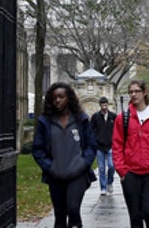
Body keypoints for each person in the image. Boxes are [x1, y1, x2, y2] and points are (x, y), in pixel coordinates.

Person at [32, 82, 97, 228]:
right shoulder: (45, 122)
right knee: (60, 215)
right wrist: (50, 166)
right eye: (54, 98)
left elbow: (92, 145)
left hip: (77, 174)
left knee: (73, 209)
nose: (57, 101)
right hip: (56, 174)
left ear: (69, 98)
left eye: (61, 97)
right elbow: (37, 149)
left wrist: (83, 163)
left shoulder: (81, 120)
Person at [113, 79, 149, 228]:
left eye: (137, 91)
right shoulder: (123, 118)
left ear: (144, 93)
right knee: (135, 217)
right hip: (131, 173)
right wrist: (122, 171)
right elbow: (117, 145)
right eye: (131, 91)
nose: (133, 94)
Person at [90, 95, 116, 194]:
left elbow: (117, 130)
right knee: (101, 168)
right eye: (102, 105)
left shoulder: (113, 116)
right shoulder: (95, 117)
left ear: (108, 105)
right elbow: (91, 130)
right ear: (100, 106)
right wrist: (95, 140)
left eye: (105, 105)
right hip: (100, 146)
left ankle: (110, 182)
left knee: (111, 166)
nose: (104, 107)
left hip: (110, 145)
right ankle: (103, 187)